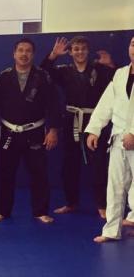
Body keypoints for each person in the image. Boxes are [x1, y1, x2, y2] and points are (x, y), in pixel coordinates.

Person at [40, 36, 115, 218]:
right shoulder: (64, 71)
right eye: (76, 49)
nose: (80, 52)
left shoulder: (99, 69)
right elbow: (43, 72)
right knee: (69, 165)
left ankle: (102, 205)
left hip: (94, 121)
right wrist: (53, 55)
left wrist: (111, 65)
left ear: (88, 51)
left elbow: (120, 81)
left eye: (83, 48)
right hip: (71, 120)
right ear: (71, 52)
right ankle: (71, 202)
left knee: (99, 165)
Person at [0, 38, 60, 223]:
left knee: (39, 173)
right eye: (20, 50)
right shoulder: (3, 77)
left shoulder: (43, 76)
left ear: (33, 55)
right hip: (8, 132)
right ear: (14, 54)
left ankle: (40, 211)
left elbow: (53, 104)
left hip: (35, 131)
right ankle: (3, 211)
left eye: (28, 51)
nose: (24, 54)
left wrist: (53, 129)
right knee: (5, 173)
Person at [85, 36, 134, 243]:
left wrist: (133, 132)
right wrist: (94, 129)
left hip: (132, 135)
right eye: (133, 44)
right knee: (114, 185)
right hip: (118, 137)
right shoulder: (120, 74)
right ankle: (112, 230)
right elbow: (106, 103)